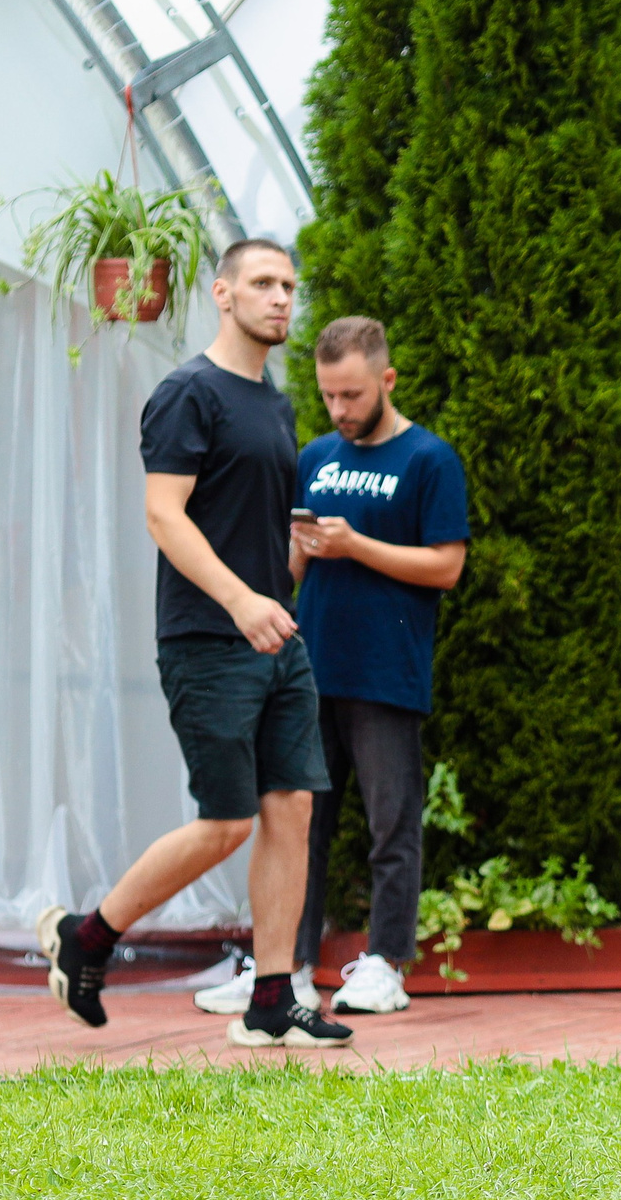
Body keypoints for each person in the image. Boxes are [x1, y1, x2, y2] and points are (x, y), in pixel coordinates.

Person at [39, 238, 351, 1049]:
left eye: (289, 284)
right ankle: (89, 935)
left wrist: (292, 558)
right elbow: (164, 515)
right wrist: (242, 598)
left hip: (276, 633)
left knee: (294, 807)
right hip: (208, 638)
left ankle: (273, 997)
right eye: (262, 283)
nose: (281, 296)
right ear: (222, 292)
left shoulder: (276, 403)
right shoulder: (188, 394)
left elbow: (253, 522)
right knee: (228, 821)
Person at [271, 316, 471, 1016]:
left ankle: (385, 964)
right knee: (303, 825)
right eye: (328, 395)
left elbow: (446, 566)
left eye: (352, 394)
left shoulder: (429, 460)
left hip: (388, 672)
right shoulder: (316, 456)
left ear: (386, 380)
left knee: (392, 823)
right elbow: (292, 567)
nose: (339, 410)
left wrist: (355, 544)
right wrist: (299, 553)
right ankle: (287, 968)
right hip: (312, 667)